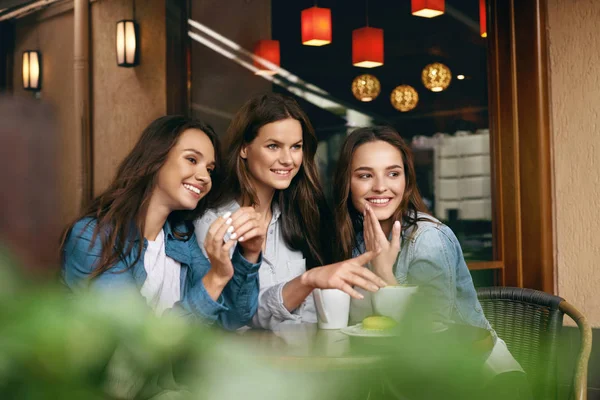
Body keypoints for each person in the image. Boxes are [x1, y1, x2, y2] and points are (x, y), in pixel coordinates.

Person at [332, 126, 530, 398]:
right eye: (365, 175)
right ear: (346, 182)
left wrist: (383, 273)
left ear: (406, 180)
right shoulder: (350, 240)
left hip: (478, 379)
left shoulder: (428, 239)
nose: (381, 186)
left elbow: (431, 335)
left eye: (393, 173)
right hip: (393, 382)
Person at [195, 93, 386, 330]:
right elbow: (229, 317)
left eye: (296, 147)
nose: (287, 159)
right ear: (244, 148)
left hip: (318, 359)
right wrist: (306, 281)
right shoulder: (213, 224)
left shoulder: (306, 215)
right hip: (253, 364)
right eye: (273, 146)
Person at [61, 115, 264, 330]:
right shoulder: (91, 237)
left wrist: (248, 254)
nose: (205, 177)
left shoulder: (180, 238)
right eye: (192, 160)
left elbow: (231, 318)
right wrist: (215, 278)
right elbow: (143, 341)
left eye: (210, 169)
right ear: (156, 158)